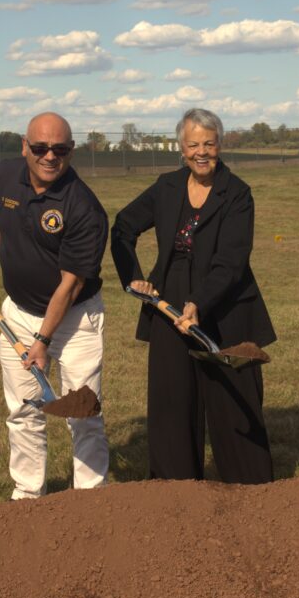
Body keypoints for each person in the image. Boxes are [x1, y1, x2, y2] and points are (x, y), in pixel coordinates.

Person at [111, 108, 274, 484]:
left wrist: (198, 302)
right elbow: (123, 226)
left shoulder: (237, 194)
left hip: (226, 303)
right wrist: (134, 278)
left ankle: (252, 490)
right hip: (169, 304)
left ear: (220, 145)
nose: (202, 152)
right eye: (193, 144)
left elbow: (231, 263)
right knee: (172, 404)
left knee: (233, 402)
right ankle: (175, 491)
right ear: (182, 149)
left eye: (209, 143)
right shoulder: (166, 187)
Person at [0, 112, 109, 500]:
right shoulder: (4, 176)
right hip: (19, 312)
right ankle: (28, 496)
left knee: (83, 413)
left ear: (71, 152)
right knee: (23, 411)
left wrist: (43, 340)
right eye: (40, 147)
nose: (49, 157)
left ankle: (91, 499)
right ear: (25, 146)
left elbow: (70, 284)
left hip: (76, 322)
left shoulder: (84, 208)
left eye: (59, 149)